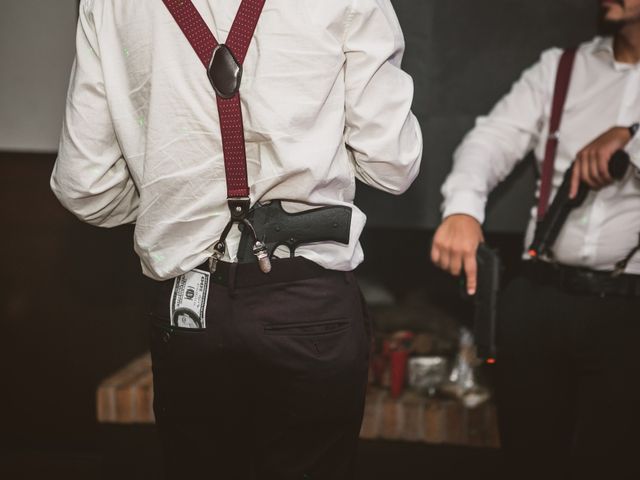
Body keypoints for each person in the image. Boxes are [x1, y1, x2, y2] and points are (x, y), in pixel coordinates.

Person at [50, 0, 422, 478]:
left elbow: (86, 185)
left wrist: (175, 217)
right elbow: (392, 166)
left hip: (187, 306)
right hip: (306, 302)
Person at [431, 0, 640, 477]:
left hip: (632, 311)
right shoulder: (561, 68)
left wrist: (630, 138)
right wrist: (463, 209)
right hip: (539, 297)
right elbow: (490, 139)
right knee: (528, 460)